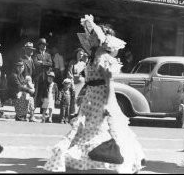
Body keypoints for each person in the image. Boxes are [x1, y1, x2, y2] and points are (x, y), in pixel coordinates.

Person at [44, 15, 145, 173]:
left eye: (93, 37)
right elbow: (91, 80)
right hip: (90, 98)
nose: (90, 39)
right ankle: (92, 159)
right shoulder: (92, 57)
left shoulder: (104, 58)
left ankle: (112, 160)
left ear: (101, 41)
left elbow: (109, 82)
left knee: (103, 129)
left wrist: (109, 104)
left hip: (101, 99)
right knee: (87, 128)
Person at [33, 38, 53, 114]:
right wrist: (44, 63)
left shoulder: (48, 55)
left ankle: (43, 110)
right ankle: (33, 109)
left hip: (46, 77)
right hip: (38, 76)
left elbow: (51, 64)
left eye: (45, 45)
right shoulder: (36, 54)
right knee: (37, 93)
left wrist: (42, 62)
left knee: (45, 93)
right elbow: (35, 63)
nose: (44, 46)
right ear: (39, 46)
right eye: (43, 45)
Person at [67, 48, 86, 115]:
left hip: (82, 83)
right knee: (74, 98)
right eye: (79, 54)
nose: (80, 55)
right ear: (76, 54)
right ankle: (72, 112)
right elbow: (69, 73)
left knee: (80, 98)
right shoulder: (72, 62)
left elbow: (85, 74)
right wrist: (71, 81)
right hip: (74, 83)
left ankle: (79, 113)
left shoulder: (83, 64)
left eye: (82, 54)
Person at [21, 42, 37, 122]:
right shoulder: (22, 60)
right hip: (25, 82)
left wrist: (32, 82)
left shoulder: (31, 60)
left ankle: (31, 116)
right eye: (29, 49)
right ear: (26, 50)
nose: (31, 51)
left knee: (31, 99)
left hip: (31, 82)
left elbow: (33, 72)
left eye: (32, 49)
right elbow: (20, 73)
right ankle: (23, 116)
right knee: (25, 99)